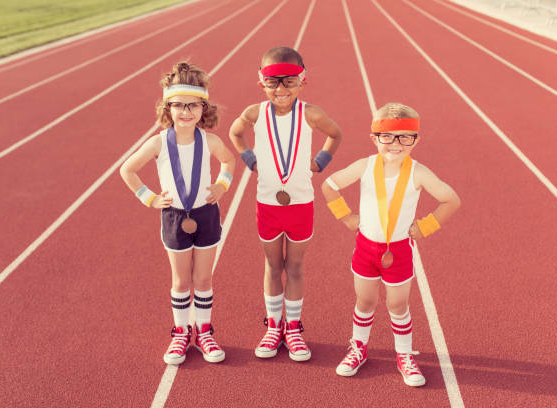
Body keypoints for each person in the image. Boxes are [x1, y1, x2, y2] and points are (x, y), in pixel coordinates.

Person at [321, 102, 460, 386]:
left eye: (405, 137)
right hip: (366, 248)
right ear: (374, 138)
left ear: (416, 140)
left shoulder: (418, 172)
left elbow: (451, 200)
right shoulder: (365, 166)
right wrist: (346, 216)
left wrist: (425, 226)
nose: (396, 144)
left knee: (398, 304)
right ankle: (358, 348)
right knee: (366, 300)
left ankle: (404, 355)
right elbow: (329, 186)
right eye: (387, 137)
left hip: (398, 251)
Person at [229, 46, 342, 361]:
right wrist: (249, 158)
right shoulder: (255, 113)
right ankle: (273, 326)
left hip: (301, 204)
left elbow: (335, 134)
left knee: (294, 266)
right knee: (272, 265)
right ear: (260, 81)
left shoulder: (311, 113)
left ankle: (292, 328)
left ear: (303, 81)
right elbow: (235, 133)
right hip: (267, 204)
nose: (280, 89)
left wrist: (321, 161)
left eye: (289, 81)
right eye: (272, 81)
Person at [120, 61, 235, 365]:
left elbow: (228, 162)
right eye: (179, 105)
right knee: (181, 281)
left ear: (203, 108)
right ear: (167, 108)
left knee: (204, 277)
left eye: (193, 106)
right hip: (174, 218)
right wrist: (148, 197)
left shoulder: (210, 141)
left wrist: (222, 185)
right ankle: (181, 332)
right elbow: (127, 169)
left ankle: (205, 332)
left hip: (206, 215)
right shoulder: (158, 143)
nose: (186, 112)